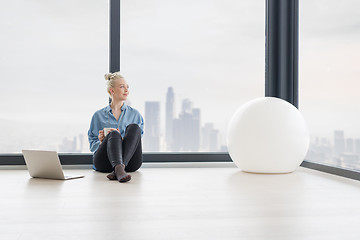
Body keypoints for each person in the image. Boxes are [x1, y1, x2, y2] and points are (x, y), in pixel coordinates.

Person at [88, 72, 144, 183]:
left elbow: (136, 141)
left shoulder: (136, 115)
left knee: (134, 127)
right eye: (122, 87)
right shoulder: (98, 116)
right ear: (112, 91)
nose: (126, 90)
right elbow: (92, 146)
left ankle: (119, 168)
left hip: (130, 163)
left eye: (127, 87)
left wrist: (123, 140)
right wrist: (101, 141)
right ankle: (119, 169)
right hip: (105, 162)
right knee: (113, 134)